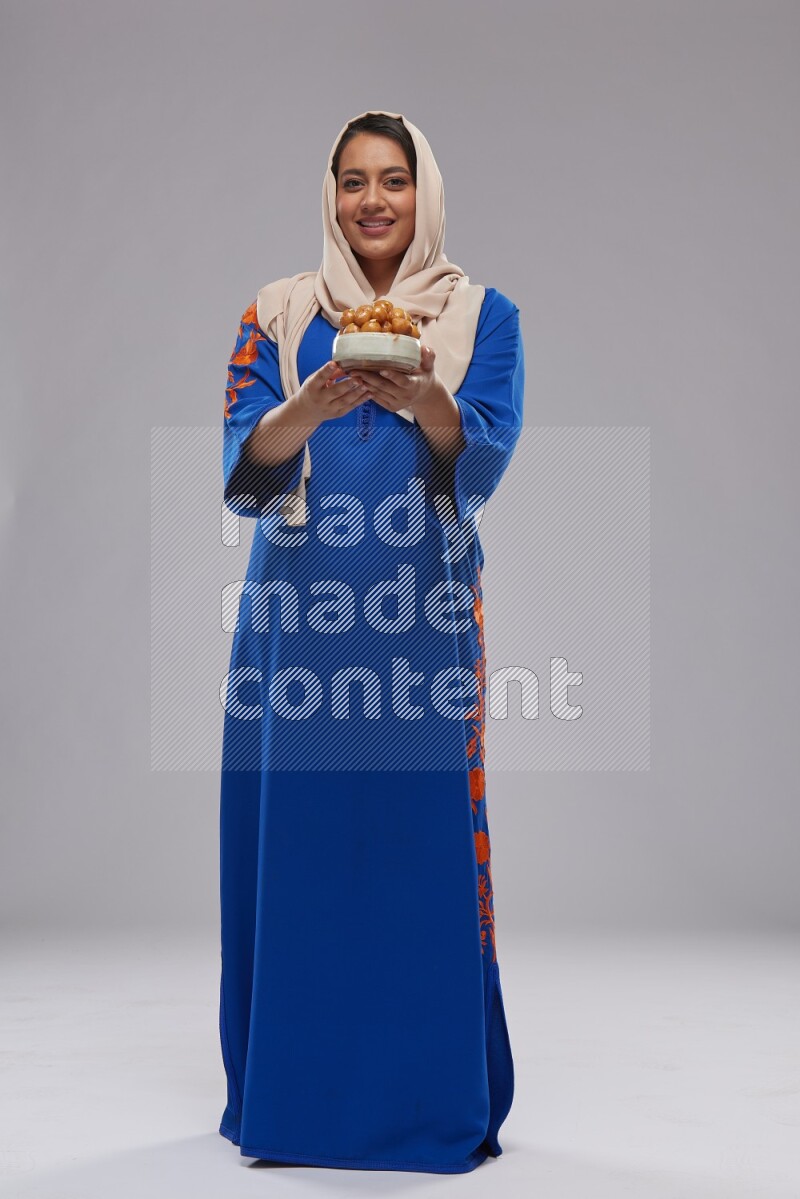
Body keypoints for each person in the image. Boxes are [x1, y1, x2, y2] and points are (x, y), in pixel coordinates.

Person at [218, 109, 525, 1174]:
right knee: (299, 848)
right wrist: (311, 401)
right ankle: (292, 1100)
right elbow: (245, 466)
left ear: (423, 192)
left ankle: (426, 1096)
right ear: (330, 194)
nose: (372, 202)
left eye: (392, 179)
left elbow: (480, 460)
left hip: (421, 618)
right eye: (352, 181)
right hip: (295, 621)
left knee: (417, 845)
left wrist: (426, 398)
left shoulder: (482, 315)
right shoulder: (276, 312)